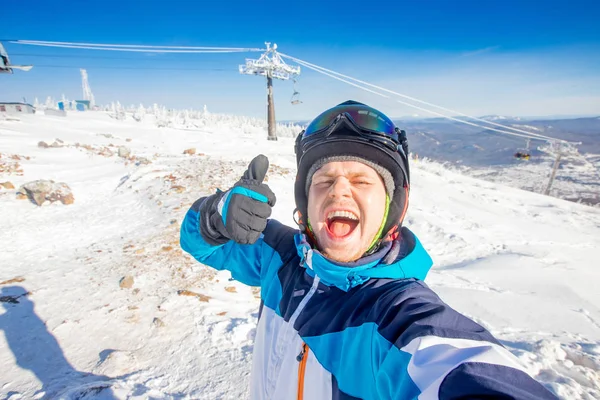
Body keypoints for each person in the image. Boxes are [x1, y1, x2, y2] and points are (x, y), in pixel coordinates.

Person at [180, 101, 557, 399]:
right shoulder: (280, 257)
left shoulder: (396, 316)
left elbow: (463, 370)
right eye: (324, 179)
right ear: (305, 203)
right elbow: (197, 241)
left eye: (361, 180)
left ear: (393, 207)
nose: (339, 190)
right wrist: (215, 216)